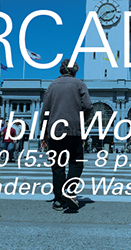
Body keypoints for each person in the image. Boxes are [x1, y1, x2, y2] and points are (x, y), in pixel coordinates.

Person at [40, 59, 92, 211]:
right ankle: (70, 190)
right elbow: (88, 106)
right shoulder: (79, 84)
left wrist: (43, 133)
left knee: (58, 166)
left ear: (61, 70)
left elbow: (45, 112)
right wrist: (83, 119)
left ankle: (58, 200)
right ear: (75, 70)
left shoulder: (52, 86)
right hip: (75, 130)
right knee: (76, 162)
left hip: (55, 131)